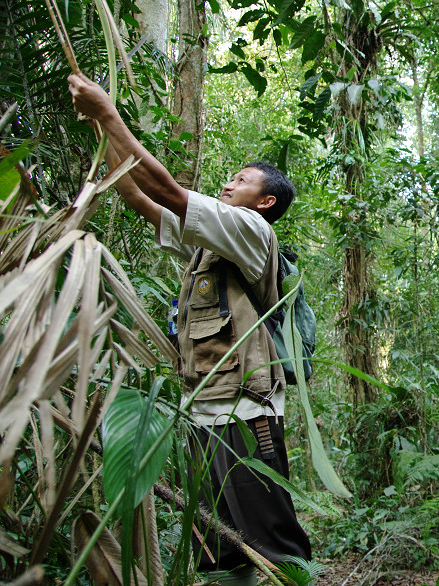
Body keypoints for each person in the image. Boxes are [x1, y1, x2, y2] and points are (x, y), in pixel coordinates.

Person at [68, 73, 311, 584]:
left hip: (246, 406)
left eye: (242, 181)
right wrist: (101, 130)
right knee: (221, 546)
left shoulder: (250, 231)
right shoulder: (210, 243)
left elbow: (168, 191)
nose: (228, 184)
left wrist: (111, 114)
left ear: (265, 202)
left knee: (271, 539)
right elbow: (139, 198)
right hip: (205, 406)